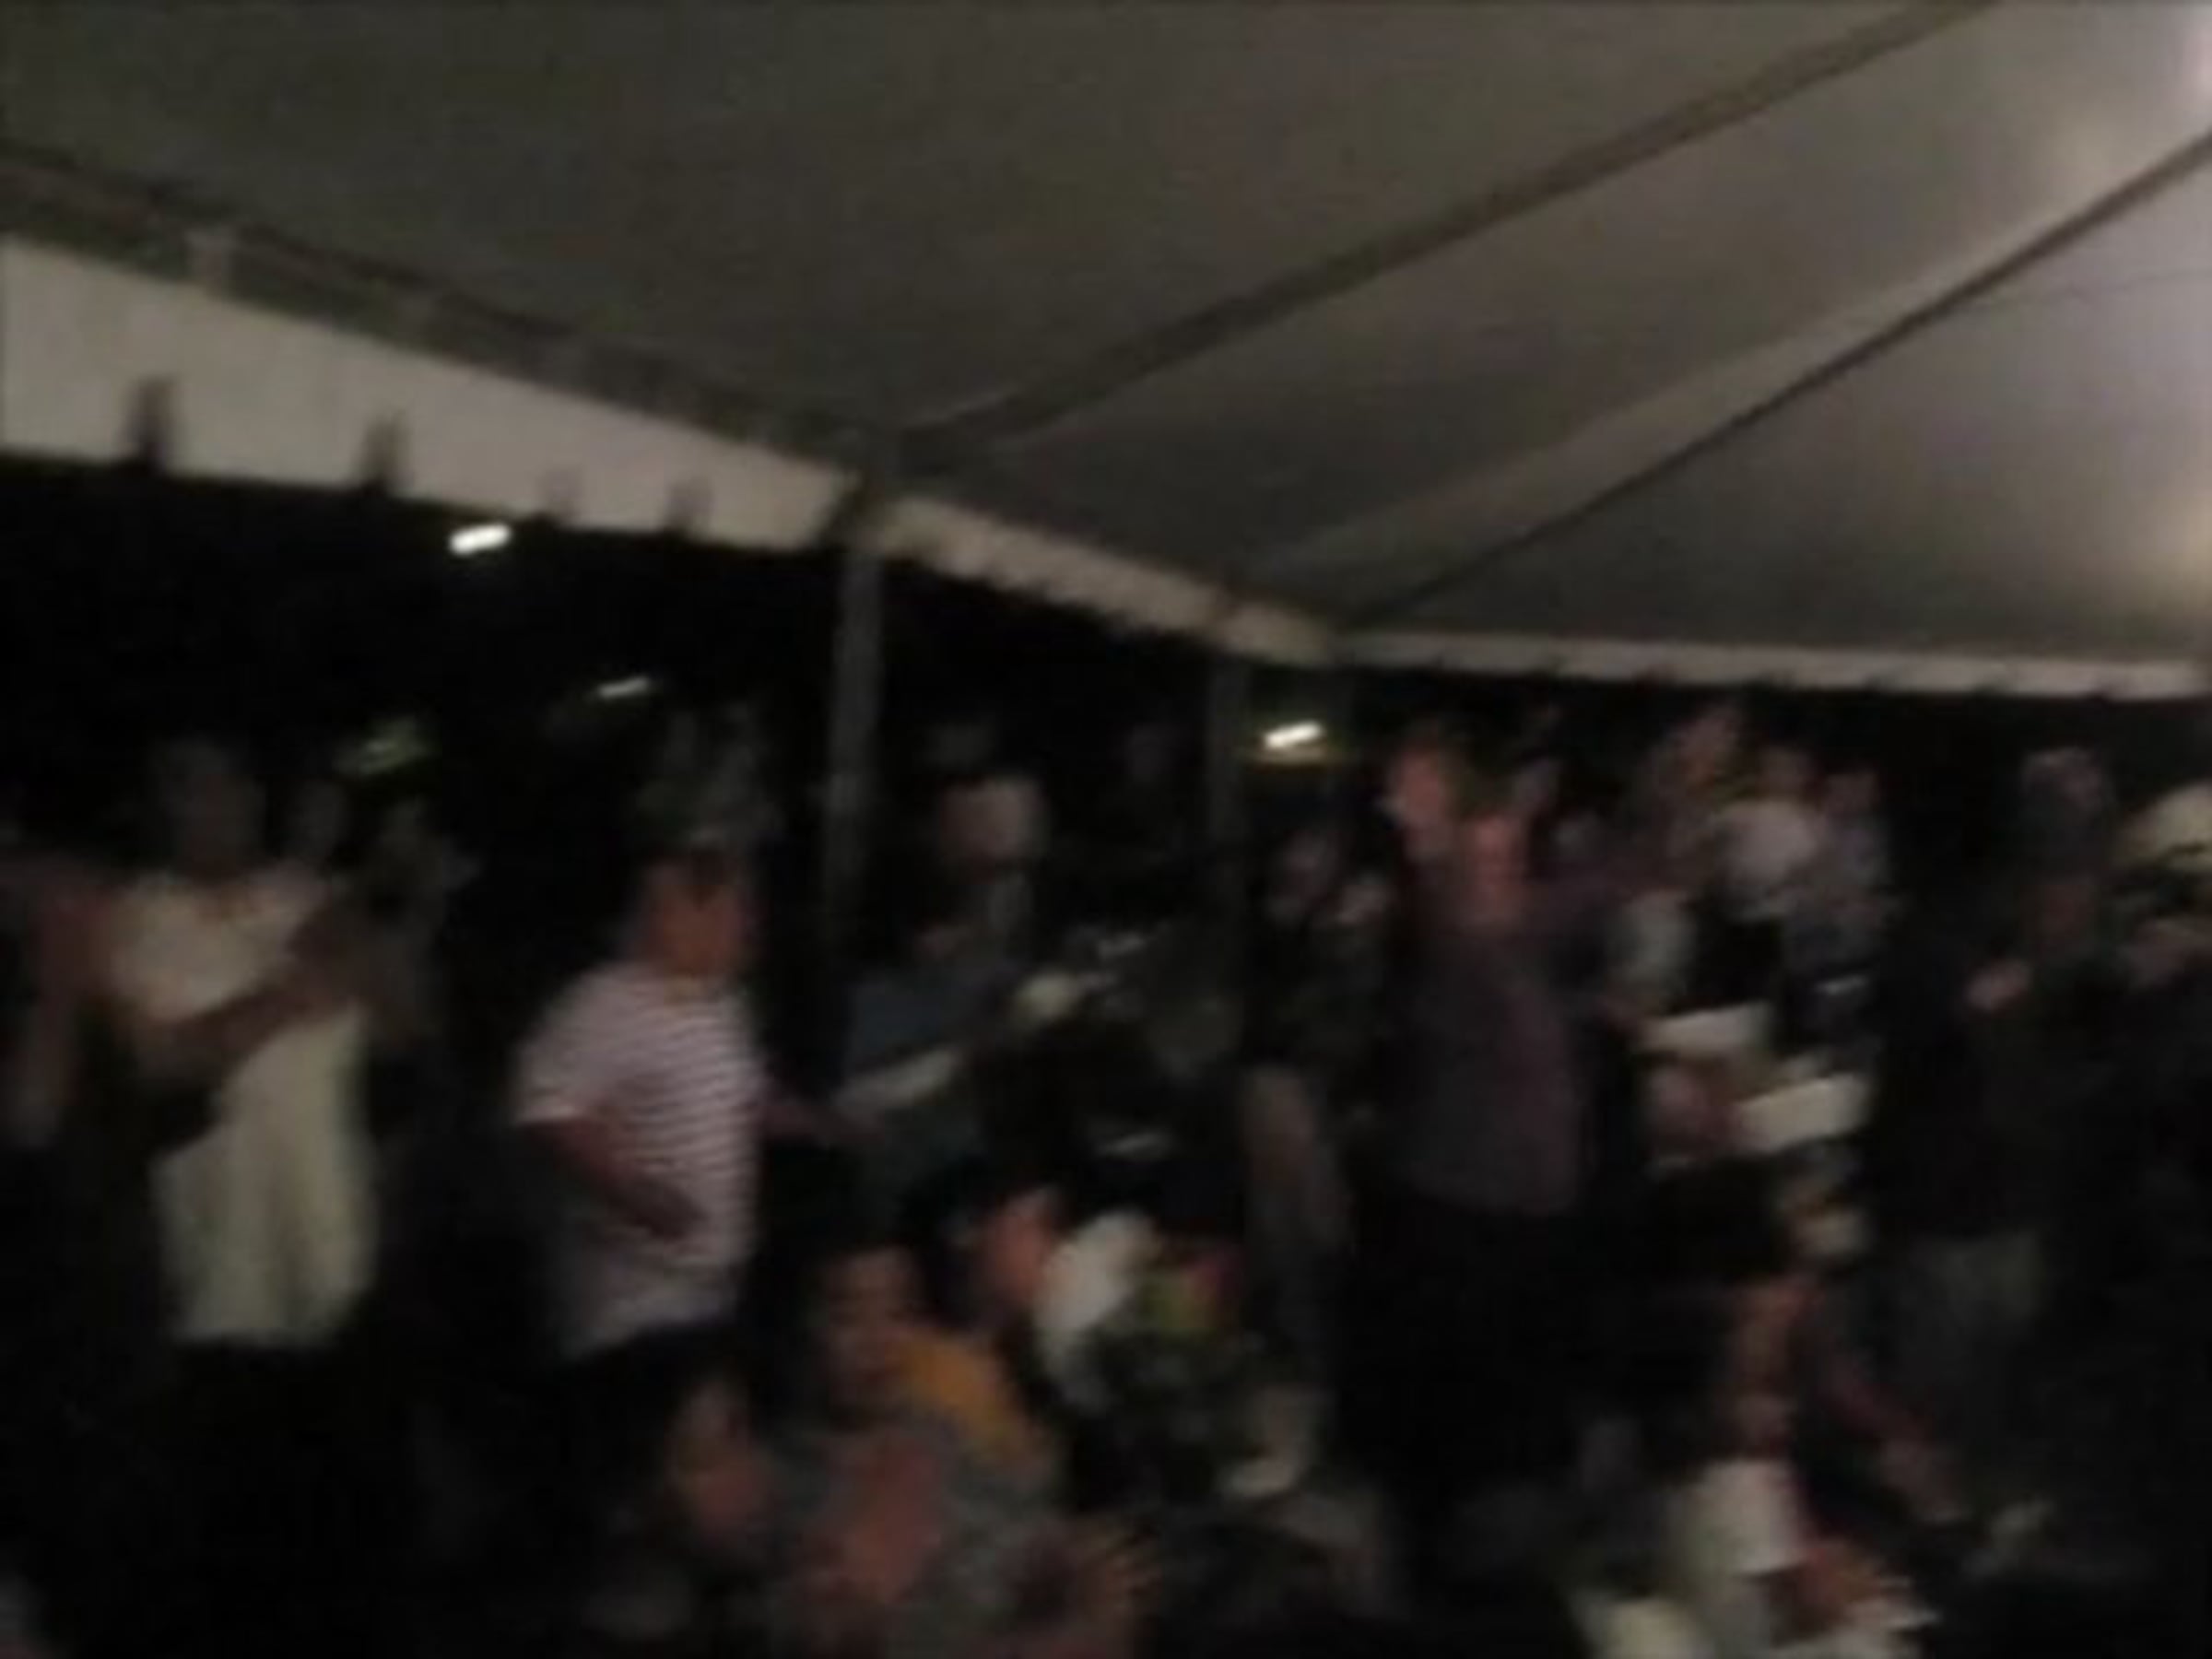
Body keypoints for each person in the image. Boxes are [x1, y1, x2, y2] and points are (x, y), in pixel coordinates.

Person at [104, 735, 426, 1654]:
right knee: (245, 1567)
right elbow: (162, 1069)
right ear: (158, 802)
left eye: (230, 780)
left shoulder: (311, 901)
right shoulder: (132, 919)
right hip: (219, 1296)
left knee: (359, 1559)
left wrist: (378, 906)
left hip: (339, 1281)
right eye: (189, 784)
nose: (215, 803)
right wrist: (289, 989)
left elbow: (404, 1032)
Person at [1364, 727, 1588, 1586]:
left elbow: (1595, 891)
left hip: (1520, 1222)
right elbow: (1453, 906)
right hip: (1460, 1221)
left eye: (1511, 859)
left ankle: (1497, 1575)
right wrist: (1434, 826)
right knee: (1458, 1435)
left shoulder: (1514, 939)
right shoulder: (1440, 928)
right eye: (1488, 857)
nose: (1504, 871)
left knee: (1511, 1432)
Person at [773, 1230, 1142, 1659]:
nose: (880, 1341)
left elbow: (1028, 1534)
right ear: (799, 1329)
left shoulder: (932, 1428)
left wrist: (1070, 1562)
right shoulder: (789, 1493)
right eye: (849, 1316)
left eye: (898, 1311)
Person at [516, 843, 770, 1364]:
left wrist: (822, 1125)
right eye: (732, 912)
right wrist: (637, 1196)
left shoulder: (723, 1004)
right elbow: (549, 1112)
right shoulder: (602, 1002)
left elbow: (744, 1100)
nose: (744, 928)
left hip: (713, 1278)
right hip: (634, 1283)